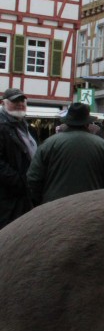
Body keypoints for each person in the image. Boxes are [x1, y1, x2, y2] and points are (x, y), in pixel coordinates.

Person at [27, 102, 104, 204]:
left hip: (54, 206)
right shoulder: (103, 146)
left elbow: (33, 178)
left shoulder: (49, 144)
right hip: (91, 206)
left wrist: (41, 201)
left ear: (67, 122)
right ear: (88, 123)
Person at [0, 87, 37, 227]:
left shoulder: (26, 126)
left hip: (23, 192)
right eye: (15, 101)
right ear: (4, 103)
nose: (20, 103)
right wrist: (18, 180)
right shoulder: (2, 126)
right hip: (7, 194)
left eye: (22, 100)